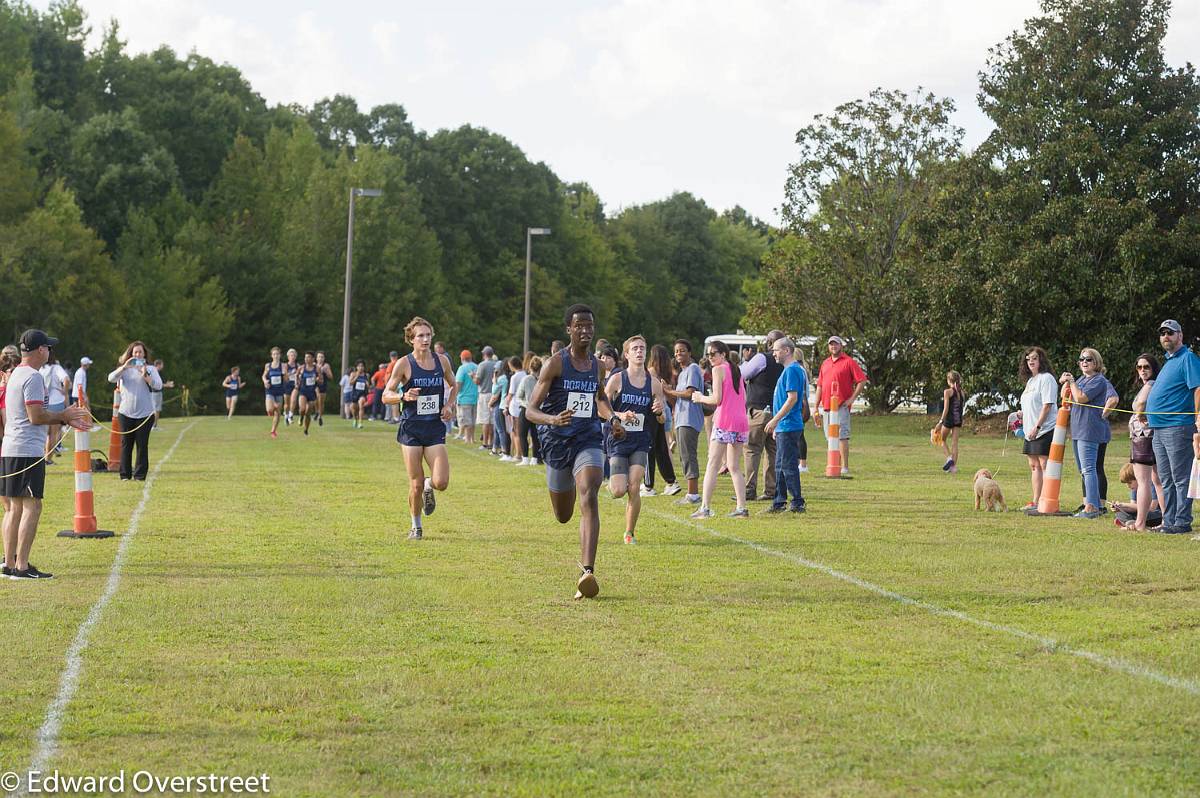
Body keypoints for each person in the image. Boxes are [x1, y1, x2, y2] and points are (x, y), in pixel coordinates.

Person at [524, 304, 625, 600]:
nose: (585, 330)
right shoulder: (555, 364)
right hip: (557, 441)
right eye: (579, 325)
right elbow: (530, 410)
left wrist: (614, 418)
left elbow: (600, 399)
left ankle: (587, 572)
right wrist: (552, 419)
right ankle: (584, 565)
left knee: (590, 489)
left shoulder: (596, 365)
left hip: (587, 436)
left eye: (589, 326)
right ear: (568, 329)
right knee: (564, 514)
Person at [2, 330, 90, 579]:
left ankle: (9, 564)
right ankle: (21, 567)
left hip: (11, 448)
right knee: (32, 506)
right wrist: (64, 416)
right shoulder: (33, 377)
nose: (50, 351)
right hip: (27, 451)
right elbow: (36, 416)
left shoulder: (16, 373)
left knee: (13, 509)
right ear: (40, 350)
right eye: (48, 347)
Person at [384, 317, 457, 540]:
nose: (425, 339)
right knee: (414, 484)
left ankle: (429, 485)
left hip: (434, 428)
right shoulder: (404, 364)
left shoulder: (441, 361)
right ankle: (416, 526)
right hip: (412, 429)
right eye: (420, 336)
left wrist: (448, 405)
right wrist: (403, 396)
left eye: (428, 335)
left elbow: (454, 385)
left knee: (441, 482)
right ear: (411, 340)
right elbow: (386, 395)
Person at [606, 335, 666, 544]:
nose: (639, 351)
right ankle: (612, 483)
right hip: (619, 440)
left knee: (634, 486)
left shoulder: (654, 383)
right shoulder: (617, 379)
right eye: (635, 348)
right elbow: (601, 407)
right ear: (627, 354)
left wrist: (659, 411)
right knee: (618, 490)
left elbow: (662, 417)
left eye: (642, 348)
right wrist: (620, 416)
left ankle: (629, 533)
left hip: (641, 441)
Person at [1145, 319, 1200, 534]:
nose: (1166, 336)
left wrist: (1197, 419)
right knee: (1165, 479)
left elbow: (1197, 389)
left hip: (1177, 427)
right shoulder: (1169, 362)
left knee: (1180, 478)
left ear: (1180, 336)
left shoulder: (1188, 359)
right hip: (1159, 429)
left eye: (1170, 332)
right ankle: (1168, 522)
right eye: (1162, 333)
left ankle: (1182, 522)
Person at [689, 340, 749, 519]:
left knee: (713, 464)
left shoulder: (718, 369)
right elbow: (743, 397)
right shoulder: (735, 369)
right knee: (734, 466)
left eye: (713, 354)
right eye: (708, 355)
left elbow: (717, 398)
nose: (710, 357)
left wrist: (700, 397)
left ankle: (705, 508)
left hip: (725, 421)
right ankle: (741, 508)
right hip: (741, 422)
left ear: (723, 354)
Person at [1060, 347, 1118, 519]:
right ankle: (1089, 504)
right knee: (1083, 470)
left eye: (1088, 359)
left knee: (1089, 469)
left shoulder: (1098, 380)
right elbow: (1066, 398)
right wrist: (1066, 382)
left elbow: (1081, 398)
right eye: (1081, 359)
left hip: (1090, 430)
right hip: (1078, 430)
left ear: (1096, 362)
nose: (1084, 362)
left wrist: (1071, 383)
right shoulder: (1081, 379)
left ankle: (1092, 507)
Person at [763, 336, 808, 513]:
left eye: (776, 350)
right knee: (780, 466)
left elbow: (792, 399)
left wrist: (775, 420)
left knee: (788, 466)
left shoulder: (792, 371)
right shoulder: (788, 370)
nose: (773, 353)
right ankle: (779, 501)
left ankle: (797, 502)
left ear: (786, 351)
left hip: (789, 425)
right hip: (784, 426)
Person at [814, 335, 868, 476]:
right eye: (831, 345)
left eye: (836, 344)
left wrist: (851, 399)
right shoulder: (825, 363)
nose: (833, 347)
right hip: (826, 406)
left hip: (841, 406)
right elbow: (820, 385)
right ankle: (834, 464)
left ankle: (845, 467)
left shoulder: (849, 362)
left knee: (842, 436)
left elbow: (861, 380)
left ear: (841, 346)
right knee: (830, 438)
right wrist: (815, 406)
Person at [108, 341, 162, 481]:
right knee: (126, 444)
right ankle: (125, 475)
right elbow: (111, 378)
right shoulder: (125, 369)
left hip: (145, 414)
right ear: (131, 354)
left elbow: (158, 385)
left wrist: (146, 375)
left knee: (142, 445)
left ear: (144, 354)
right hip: (126, 413)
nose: (138, 354)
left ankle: (139, 475)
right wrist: (124, 367)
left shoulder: (151, 368)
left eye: (140, 352)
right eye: (135, 352)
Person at [742, 330, 786, 500]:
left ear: (770, 343)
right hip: (777, 412)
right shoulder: (787, 362)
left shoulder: (762, 358)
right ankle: (771, 490)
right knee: (772, 452)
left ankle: (749, 490)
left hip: (759, 410)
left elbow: (744, 374)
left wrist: (747, 361)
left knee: (752, 449)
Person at [1124, 354, 1166, 531]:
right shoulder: (1157, 385)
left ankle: (1140, 523)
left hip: (1143, 437)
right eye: (1139, 367)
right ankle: (1167, 520)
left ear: (1153, 368)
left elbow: (1140, 404)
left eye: (1146, 367)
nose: (1142, 370)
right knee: (1157, 480)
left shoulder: (1150, 385)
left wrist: (1139, 413)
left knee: (1144, 481)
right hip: (1152, 435)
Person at [1018, 346, 1058, 510]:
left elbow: (1047, 405)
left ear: (1041, 360)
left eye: (1034, 358)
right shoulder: (1030, 381)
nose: (1031, 362)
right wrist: (1022, 414)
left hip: (1044, 428)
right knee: (1033, 465)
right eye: (1028, 359)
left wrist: (1037, 426)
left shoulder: (1046, 378)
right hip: (1030, 431)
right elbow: (1031, 404)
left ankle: (1046, 500)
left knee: (1044, 464)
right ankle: (1035, 501)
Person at [665, 339, 704, 505]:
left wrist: (670, 390)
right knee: (684, 456)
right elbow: (676, 399)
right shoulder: (681, 373)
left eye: (682, 350)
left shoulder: (693, 369)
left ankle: (693, 494)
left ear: (689, 353)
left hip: (690, 419)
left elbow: (689, 393)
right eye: (676, 351)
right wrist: (667, 392)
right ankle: (691, 493)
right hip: (681, 418)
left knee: (689, 456)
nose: (678, 354)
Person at [643, 343, 680, 496]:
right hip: (665, 411)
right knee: (662, 447)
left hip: (654, 411)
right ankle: (671, 481)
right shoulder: (668, 374)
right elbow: (672, 399)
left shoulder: (650, 372)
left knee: (652, 448)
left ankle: (649, 485)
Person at [38, 350, 70, 465]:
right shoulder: (56, 367)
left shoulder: (40, 369)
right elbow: (66, 379)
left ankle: (41, 457)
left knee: (44, 433)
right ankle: (48, 459)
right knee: (53, 434)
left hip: (43, 403)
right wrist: (64, 391)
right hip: (56, 403)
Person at [1110, 462, 1163, 530]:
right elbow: (1133, 506)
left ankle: (1129, 524)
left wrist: (1124, 504)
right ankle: (1131, 523)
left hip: (1156, 514)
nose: (1128, 486)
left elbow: (1152, 508)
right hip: (1142, 514)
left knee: (1143, 515)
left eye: (1130, 482)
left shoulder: (1151, 485)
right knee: (1119, 513)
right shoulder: (1134, 489)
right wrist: (1120, 507)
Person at [933, 371, 965, 473]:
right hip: (958, 420)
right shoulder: (962, 392)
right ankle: (953, 468)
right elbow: (961, 408)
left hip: (949, 419)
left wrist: (940, 422)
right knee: (955, 444)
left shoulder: (947, 392)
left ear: (948, 380)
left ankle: (949, 458)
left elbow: (946, 408)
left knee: (940, 439)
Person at [515, 355, 543, 466]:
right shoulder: (542, 380)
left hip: (526, 410)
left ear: (530, 367)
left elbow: (519, 396)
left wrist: (526, 404)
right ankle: (535, 458)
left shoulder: (526, 379)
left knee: (523, 434)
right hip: (538, 410)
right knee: (535, 436)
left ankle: (525, 458)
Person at [473, 346, 498, 450]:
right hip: (494, 393)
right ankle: (492, 442)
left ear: (484, 354)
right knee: (492, 420)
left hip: (484, 393)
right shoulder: (496, 364)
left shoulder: (482, 365)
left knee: (485, 420)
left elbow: (477, 381)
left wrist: (472, 376)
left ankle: (485, 443)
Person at [455, 349, 479, 444]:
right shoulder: (477, 367)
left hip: (464, 398)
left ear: (462, 358)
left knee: (466, 420)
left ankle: (467, 439)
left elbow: (459, 383)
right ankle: (472, 438)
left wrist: (455, 396)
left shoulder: (462, 368)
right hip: (475, 397)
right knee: (472, 420)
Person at [262, 347, 286, 438]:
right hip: (270, 390)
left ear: (280, 355)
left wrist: (285, 373)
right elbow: (263, 376)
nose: (276, 356)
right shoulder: (267, 365)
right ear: (271, 355)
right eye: (274, 354)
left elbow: (286, 379)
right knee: (269, 409)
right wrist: (265, 381)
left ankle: (273, 431)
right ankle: (271, 409)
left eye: (277, 354)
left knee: (278, 412)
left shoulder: (283, 366)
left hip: (279, 391)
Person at [295, 352, 319, 436]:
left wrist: (318, 379)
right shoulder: (301, 368)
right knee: (302, 409)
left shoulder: (317, 368)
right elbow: (296, 375)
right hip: (303, 391)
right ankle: (301, 417)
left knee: (308, 412)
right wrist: (297, 383)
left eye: (308, 357)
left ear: (313, 359)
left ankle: (306, 430)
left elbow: (321, 379)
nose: (306, 359)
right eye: (305, 357)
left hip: (312, 392)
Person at [491, 360, 511, 458]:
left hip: (501, 404)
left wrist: (494, 380)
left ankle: (504, 450)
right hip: (503, 404)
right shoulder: (508, 376)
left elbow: (494, 391)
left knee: (501, 429)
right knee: (497, 428)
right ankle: (495, 448)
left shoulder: (502, 378)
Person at [151, 358, 175, 430]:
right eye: (162, 364)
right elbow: (156, 384)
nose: (163, 366)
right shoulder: (154, 372)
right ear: (158, 365)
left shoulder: (156, 372)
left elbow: (160, 383)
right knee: (156, 410)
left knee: (156, 410)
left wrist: (167, 384)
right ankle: (154, 426)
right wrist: (168, 385)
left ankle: (154, 426)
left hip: (155, 393)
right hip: (156, 393)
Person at [314, 351, 334, 426]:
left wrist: (326, 372)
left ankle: (320, 417)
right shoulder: (314, 365)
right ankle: (316, 411)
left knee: (321, 402)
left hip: (323, 385)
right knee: (316, 398)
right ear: (316, 358)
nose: (320, 358)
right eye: (319, 357)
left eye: (322, 357)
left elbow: (331, 377)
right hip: (315, 385)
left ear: (324, 358)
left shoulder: (326, 366)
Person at [349, 361, 370, 429]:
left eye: (362, 366)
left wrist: (367, 385)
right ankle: (355, 419)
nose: (361, 368)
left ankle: (360, 423)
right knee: (353, 408)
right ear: (356, 367)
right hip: (355, 393)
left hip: (362, 394)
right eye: (359, 366)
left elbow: (368, 386)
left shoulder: (366, 375)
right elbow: (350, 383)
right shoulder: (353, 374)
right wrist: (356, 377)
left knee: (361, 405)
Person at [283, 348, 299, 425]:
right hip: (287, 384)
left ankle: (291, 415)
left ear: (296, 357)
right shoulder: (285, 365)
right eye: (291, 355)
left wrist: (298, 377)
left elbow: (300, 375)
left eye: (294, 355)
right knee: (286, 404)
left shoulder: (297, 365)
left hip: (294, 384)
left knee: (293, 400)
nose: (292, 357)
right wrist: (291, 373)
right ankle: (286, 415)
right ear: (288, 356)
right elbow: (284, 376)